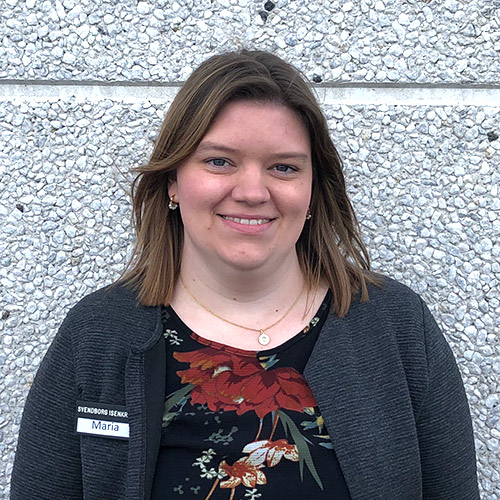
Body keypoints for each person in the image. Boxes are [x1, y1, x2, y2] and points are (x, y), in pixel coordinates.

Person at [11, 50, 479, 500]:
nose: (253, 191)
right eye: (220, 161)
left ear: (313, 190)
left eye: (283, 167)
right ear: (173, 180)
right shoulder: (98, 335)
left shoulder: (396, 327)